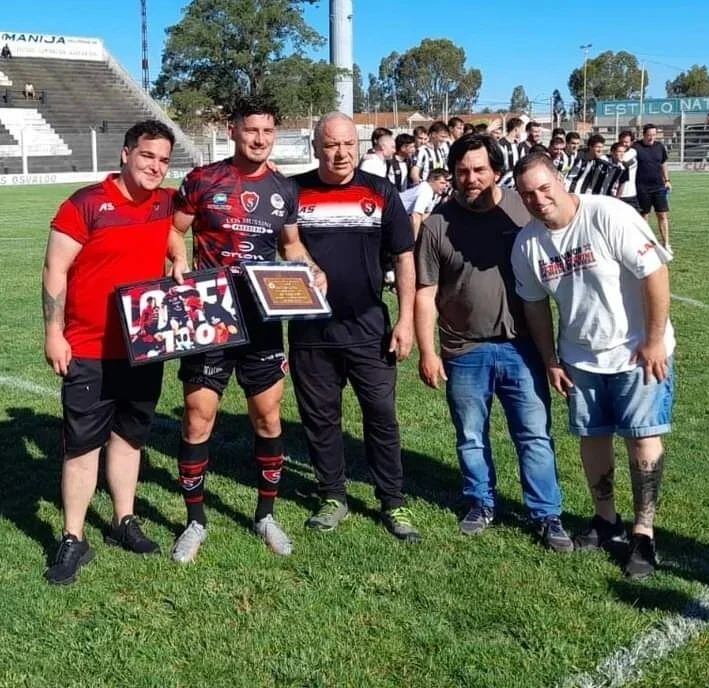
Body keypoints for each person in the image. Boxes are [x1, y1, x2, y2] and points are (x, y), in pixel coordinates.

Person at [167, 95, 325, 562]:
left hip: (261, 318)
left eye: (268, 131)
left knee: (268, 418)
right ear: (233, 130)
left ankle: (265, 515)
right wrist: (178, 256)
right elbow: (175, 228)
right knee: (198, 419)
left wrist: (310, 268)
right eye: (251, 130)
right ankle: (195, 521)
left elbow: (291, 245)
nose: (260, 139)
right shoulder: (204, 179)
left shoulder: (284, 188)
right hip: (210, 314)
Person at [511, 152, 675, 580]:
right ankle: (606, 521)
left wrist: (654, 340)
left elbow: (654, 273)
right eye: (528, 194)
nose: (538, 199)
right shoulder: (527, 243)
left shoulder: (608, 215)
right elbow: (534, 306)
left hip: (637, 351)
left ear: (560, 181)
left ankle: (643, 533)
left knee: (642, 440)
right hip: (581, 358)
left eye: (544, 188)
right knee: (592, 438)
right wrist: (550, 358)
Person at [414, 134, 572, 551]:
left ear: (496, 171)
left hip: (523, 346)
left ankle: (546, 513)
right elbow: (424, 292)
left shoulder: (525, 211)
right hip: (464, 349)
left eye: (480, 169)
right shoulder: (436, 225)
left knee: (534, 434)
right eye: (462, 171)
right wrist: (428, 351)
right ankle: (480, 502)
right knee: (470, 435)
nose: (471, 178)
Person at [41, 120, 176, 585]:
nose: (155, 167)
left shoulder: (164, 201)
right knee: (81, 447)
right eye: (147, 156)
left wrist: (178, 257)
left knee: (131, 439)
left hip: (144, 345)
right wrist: (54, 332)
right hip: (90, 346)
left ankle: (123, 519)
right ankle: (73, 537)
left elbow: (174, 235)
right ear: (125, 154)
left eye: (163, 159)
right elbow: (55, 269)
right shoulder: (85, 204)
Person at [290, 112, 420, 543]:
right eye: (330, 145)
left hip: (370, 329)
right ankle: (332, 495)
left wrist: (405, 319)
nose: (340, 153)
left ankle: (393, 500)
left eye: (347, 144)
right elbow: (281, 250)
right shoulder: (295, 192)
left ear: (357, 145)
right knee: (320, 419)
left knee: (381, 417)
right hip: (311, 334)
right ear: (316, 148)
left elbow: (404, 257)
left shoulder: (380, 191)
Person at [634, 124, 672, 250]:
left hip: (659, 187)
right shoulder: (636, 147)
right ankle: (646, 243)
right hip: (641, 187)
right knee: (644, 216)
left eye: (654, 135)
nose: (652, 138)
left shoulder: (659, 146)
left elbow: (664, 164)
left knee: (662, 215)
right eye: (649, 135)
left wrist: (667, 180)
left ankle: (666, 243)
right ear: (643, 134)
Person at [400, 168, 450, 239]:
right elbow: (416, 216)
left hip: (401, 217)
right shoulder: (426, 190)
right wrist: (414, 241)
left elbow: (424, 218)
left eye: (446, 184)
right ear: (432, 180)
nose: (445, 187)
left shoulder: (435, 194)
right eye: (442, 183)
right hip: (392, 213)